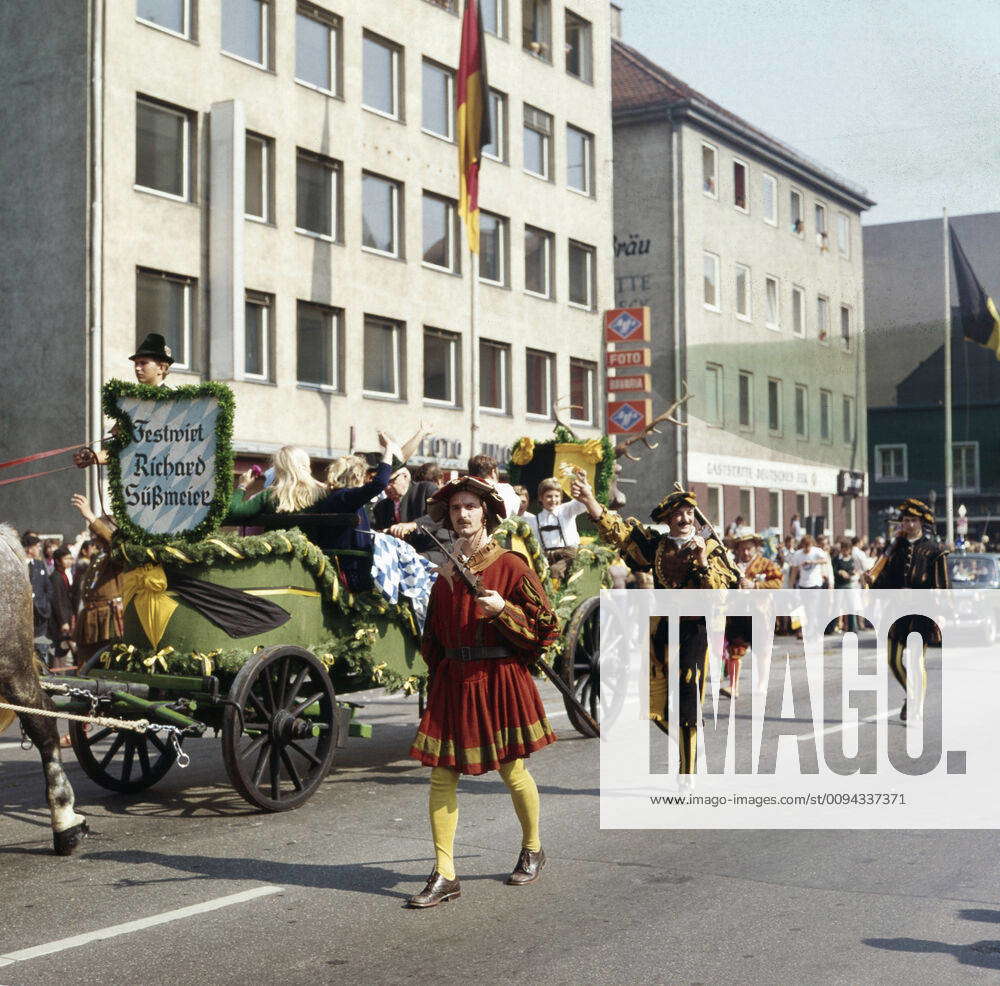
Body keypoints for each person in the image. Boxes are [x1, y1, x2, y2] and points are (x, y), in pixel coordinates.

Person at [407, 477, 558, 908]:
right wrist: (439, 678)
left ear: (485, 513)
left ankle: (532, 848)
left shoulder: (510, 565)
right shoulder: (447, 572)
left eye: (470, 506)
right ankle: (445, 874)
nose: (462, 514)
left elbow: (547, 626)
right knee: (441, 775)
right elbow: (433, 635)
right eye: (456, 508)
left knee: (512, 772)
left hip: (498, 677)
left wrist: (503, 610)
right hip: (455, 680)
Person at [570, 480, 735, 777]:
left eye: (689, 514)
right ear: (667, 520)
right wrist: (590, 501)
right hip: (661, 630)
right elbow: (620, 533)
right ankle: (689, 741)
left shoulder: (710, 549)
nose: (685, 519)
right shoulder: (657, 546)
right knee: (655, 708)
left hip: (694, 631)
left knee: (687, 700)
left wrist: (701, 560)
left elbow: (719, 594)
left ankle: (687, 770)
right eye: (678, 515)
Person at [227, 435, 399, 590]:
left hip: (275, 563)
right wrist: (389, 450)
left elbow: (233, 512)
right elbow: (376, 484)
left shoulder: (270, 495)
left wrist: (242, 486)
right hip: (314, 566)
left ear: (279, 468)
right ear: (306, 465)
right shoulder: (323, 493)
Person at [868, 498, 949, 722]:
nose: (908, 523)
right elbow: (885, 579)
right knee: (893, 660)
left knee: (915, 661)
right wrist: (871, 580)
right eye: (905, 520)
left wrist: (941, 612)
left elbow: (941, 585)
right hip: (896, 609)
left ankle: (916, 707)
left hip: (922, 611)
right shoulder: (895, 549)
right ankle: (911, 694)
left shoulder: (934, 550)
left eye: (913, 520)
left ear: (922, 522)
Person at [73, 333, 174, 469]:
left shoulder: (174, 402)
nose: (137, 368)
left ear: (161, 368)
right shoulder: (130, 405)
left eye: (143, 363)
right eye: (136, 363)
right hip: (134, 481)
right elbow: (117, 447)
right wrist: (92, 458)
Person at [723, 531, 783, 699]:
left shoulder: (765, 564)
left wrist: (755, 585)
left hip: (760, 614)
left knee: (761, 650)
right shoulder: (731, 566)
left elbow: (777, 582)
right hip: (737, 614)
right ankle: (733, 686)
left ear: (756, 548)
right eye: (742, 549)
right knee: (734, 650)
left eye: (749, 549)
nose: (746, 553)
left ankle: (761, 685)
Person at [69, 494, 125, 666]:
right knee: (85, 667)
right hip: (91, 618)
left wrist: (90, 516)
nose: (93, 539)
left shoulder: (117, 555)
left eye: (96, 534)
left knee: (107, 667)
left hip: (109, 619)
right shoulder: (99, 556)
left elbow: (113, 543)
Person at [526, 477, 588, 581]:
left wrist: (583, 486)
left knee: (554, 572)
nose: (553, 500)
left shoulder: (566, 510)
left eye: (556, 496)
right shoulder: (535, 520)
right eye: (549, 496)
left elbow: (583, 504)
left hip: (569, 555)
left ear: (561, 497)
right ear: (541, 498)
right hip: (547, 557)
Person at [22, 534, 53, 663]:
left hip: (40, 614)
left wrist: (45, 604)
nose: (39, 549)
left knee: (41, 648)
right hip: (23, 615)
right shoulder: (19, 565)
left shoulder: (40, 565)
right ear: (29, 548)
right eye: (37, 547)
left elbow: (48, 588)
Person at [467, 454, 522, 522]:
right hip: (502, 530)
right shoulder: (506, 489)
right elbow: (514, 511)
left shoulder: (465, 490)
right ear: (493, 471)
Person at [48, 546, 76, 670]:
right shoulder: (55, 577)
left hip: (67, 617)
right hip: (59, 621)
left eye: (71, 558)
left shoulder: (64, 575)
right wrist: (63, 621)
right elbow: (57, 601)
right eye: (66, 559)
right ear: (58, 561)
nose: (69, 561)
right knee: (59, 651)